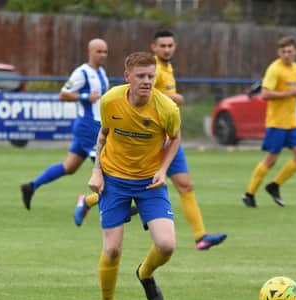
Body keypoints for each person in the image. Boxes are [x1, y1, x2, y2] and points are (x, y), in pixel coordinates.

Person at [74, 30, 227, 252]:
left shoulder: (166, 68)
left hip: (164, 139)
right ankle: (89, 201)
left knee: (185, 185)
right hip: (151, 143)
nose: (167, 49)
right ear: (153, 48)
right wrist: (177, 98)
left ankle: (200, 236)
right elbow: (155, 99)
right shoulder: (150, 70)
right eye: (163, 46)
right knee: (139, 183)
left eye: (171, 45)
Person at [89, 51, 181, 300]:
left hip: (149, 182)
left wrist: (163, 170)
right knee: (112, 249)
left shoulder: (167, 109)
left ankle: (145, 273)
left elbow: (174, 138)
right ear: (127, 76)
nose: (146, 81)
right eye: (140, 76)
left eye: (151, 76)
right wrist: (97, 172)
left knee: (166, 245)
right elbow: (104, 134)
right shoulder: (110, 101)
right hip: (114, 179)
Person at [20, 38, 109, 210]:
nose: (102, 55)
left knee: (69, 167)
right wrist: (84, 97)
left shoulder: (102, 72)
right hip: (88, 126)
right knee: (104, 168)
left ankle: (31, 186)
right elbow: (63, 94)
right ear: (90, 52)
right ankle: (111, 205)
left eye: (105, 52)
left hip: (92, 125)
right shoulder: (81, 72)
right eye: (99, 51)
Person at [242, 36, 296, 208]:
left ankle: (274, 185)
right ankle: (249, 194)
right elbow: (264, 94)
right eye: (283, 51)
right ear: (279, 52)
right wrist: (290, 94)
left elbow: (293, 92)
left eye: (290, 51)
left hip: (292, 122)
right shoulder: (274, 69)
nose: (287, 54)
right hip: (276, 123)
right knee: (271, 160)